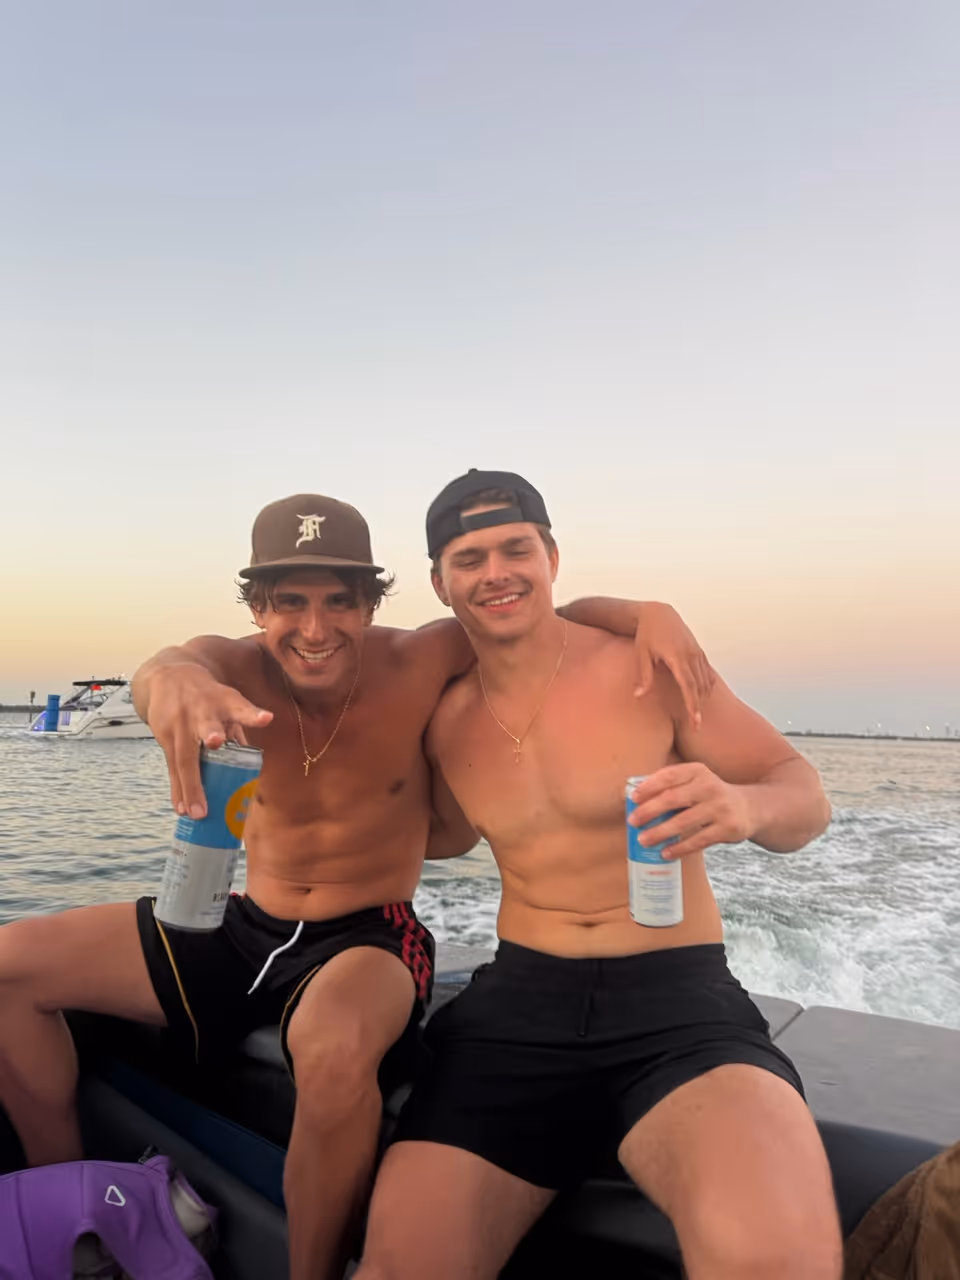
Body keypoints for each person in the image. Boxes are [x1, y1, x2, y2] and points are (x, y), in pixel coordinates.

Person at [0, 491, 712, 1280]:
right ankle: (65, 1202)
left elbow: (538, 609)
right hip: (242, 927)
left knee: (336, 1053)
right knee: (10, 966)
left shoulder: (421, 659)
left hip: (368, 934)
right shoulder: (228, 668)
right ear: (257, 605)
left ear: (372, 603)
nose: (314, 628)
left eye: (341, 601)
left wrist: (650, 612)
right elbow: (166, 668)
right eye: (288, 602)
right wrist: (168, 683)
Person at [354, 470, 842, 1280]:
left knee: (777, 1259)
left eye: (516, 549)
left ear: (550, 555)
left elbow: (804, 796)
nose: (497, 573)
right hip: (517, 1007)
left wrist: (742, 807)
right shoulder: (444, 715)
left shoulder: (648, 668)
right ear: (441, 583)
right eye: (469, 558)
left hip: (676, 1005)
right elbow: (431, 836)